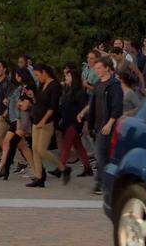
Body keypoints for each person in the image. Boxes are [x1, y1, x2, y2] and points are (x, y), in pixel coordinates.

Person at [79, 56, 123, 196]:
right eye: (95, 68)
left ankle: (103, 184)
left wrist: (110, 123)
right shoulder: (98, 84)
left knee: (101, 154)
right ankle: (103, 182)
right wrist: (84, 113)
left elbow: (117, 107)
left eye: (99, 68)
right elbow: (93, 102)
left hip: (107, 125)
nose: (96, 71)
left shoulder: (114, 85)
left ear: (107, 68)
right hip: (97, 124)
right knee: (102, 155)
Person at [26, 64, 68, 188]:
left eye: (38, 75)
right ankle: (39, 177)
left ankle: (62, 167)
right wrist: (32, 97)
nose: (37, 78)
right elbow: (39, 103)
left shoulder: (55, 86)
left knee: (41, 149)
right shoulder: (41, 85)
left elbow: (53, 107)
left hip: (46, 122)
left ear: (44, 72)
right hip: (36, 120)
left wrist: (44, 121)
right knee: (35, 148)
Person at [0, 67, 36, 179]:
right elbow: (15, 103)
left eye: (16, 75)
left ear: (21, 76)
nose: (14, 77)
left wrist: (18, 104)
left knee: (8, 142)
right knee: (23, 147)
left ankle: (2, 168)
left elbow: (25, 105)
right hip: (15, 119)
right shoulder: (20, 88)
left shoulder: (26, 88)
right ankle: (35, 168)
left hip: (18, 120)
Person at [58, 64, 93, 177]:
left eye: (68, 77)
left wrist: (84, 122)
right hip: (67, 121)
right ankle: (88, 167)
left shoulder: (80, 93)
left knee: (67, 144)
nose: (66, 78)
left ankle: (60, 168)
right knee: (78, 145)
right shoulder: (67, 91)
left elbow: (84, 108)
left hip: (75, 122)